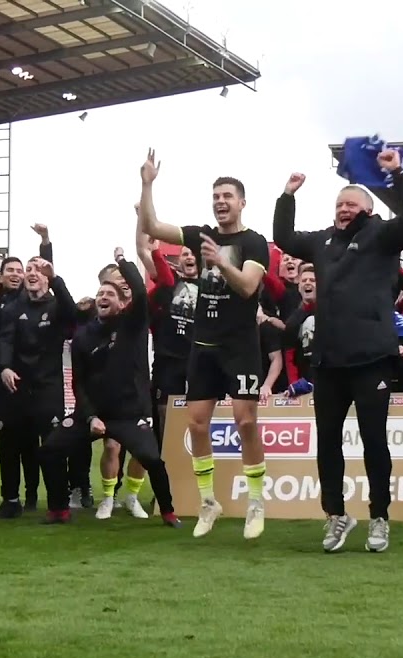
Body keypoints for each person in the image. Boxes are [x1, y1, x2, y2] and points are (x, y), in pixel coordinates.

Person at [272, 151, 403, 553]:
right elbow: (285, 239)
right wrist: (288, 196)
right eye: (340, 204)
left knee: (374, 440)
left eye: (352, 204)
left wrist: (396, 173)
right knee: (327, 443)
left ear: (368, 209)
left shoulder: (381, 235)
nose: (344, 210)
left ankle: (380, 517)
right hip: (328, 362)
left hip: (372, 359)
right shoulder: (323, 241)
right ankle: (336, 516)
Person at [137, 149, 269, 540]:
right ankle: (209, 502)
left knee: (246, 422)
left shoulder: (254, 242)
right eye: (216, 197)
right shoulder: (198, 235)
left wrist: (220, 262)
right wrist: (147, 184)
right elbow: (151, 225)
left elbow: (247, 287)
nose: (220, 202)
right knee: (196, 424)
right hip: (203, 346)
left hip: (240, 345)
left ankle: (256, 503)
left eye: (227, 196)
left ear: (242, 202)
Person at [46, 248, 178, 526]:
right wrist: (90, 416)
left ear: (121, 304)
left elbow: (141, 294)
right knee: (51, 449)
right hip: (93, 414)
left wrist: (122, 262)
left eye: (111, 294)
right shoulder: (83, 335)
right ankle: (59, 510)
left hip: (129, 414)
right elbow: (78, 381)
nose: (103, 297)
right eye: (100, 294)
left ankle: (168, 512)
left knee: (152, 458)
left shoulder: (133, 324)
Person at [0, 254, 78, 520]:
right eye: (28, 268)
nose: (32, 273)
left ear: (46, 277)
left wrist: (56, 280)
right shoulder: (12, 308)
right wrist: (4, 367)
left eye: (38, 269)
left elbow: (72, 312)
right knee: (9, 443)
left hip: (48, 387)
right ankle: (10, 499)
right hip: (16, 387)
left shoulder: (56, 306)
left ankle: (58, 506)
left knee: (52, 446)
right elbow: (4, 340)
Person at [135, 221, 199, 451]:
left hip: (199, 362)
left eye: (193, 253)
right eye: (184, 254)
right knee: (165, 414)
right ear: (179, 260)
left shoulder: (212, 285)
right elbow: (142, 250)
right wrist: (140, 218)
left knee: (200, 416)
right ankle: (167, 462)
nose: (189, 257)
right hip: (168, 361)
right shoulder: (169, 281)